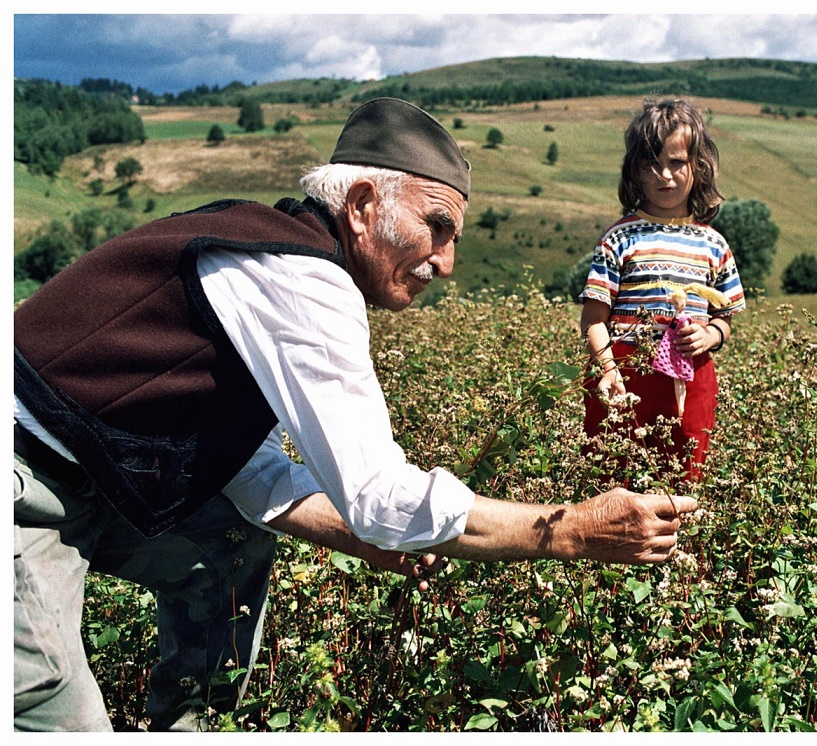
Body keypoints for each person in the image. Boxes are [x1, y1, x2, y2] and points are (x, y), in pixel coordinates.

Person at [14, 97, 697, 732]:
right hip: (25, 484)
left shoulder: (273, 252)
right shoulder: (299, 275)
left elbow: (246, 473)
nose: (448, 262)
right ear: (365, 205)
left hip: (87, 473)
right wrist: (571, 531)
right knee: (55, 713)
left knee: (226, 545)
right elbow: (379, 495)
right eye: (437, 227)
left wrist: (361, 538)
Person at [580, 98, 746, 485]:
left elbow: (726, 318)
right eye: (651, 163)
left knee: (683, 479)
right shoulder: (619, 238)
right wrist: (607, 370)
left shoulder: (713, 244)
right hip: (622, 377)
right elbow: (593, 320)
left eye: (676, 162)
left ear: (698, 167)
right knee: (612, 478)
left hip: (691, 379)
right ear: (635, 171)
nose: (664, 175)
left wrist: (709, 334)